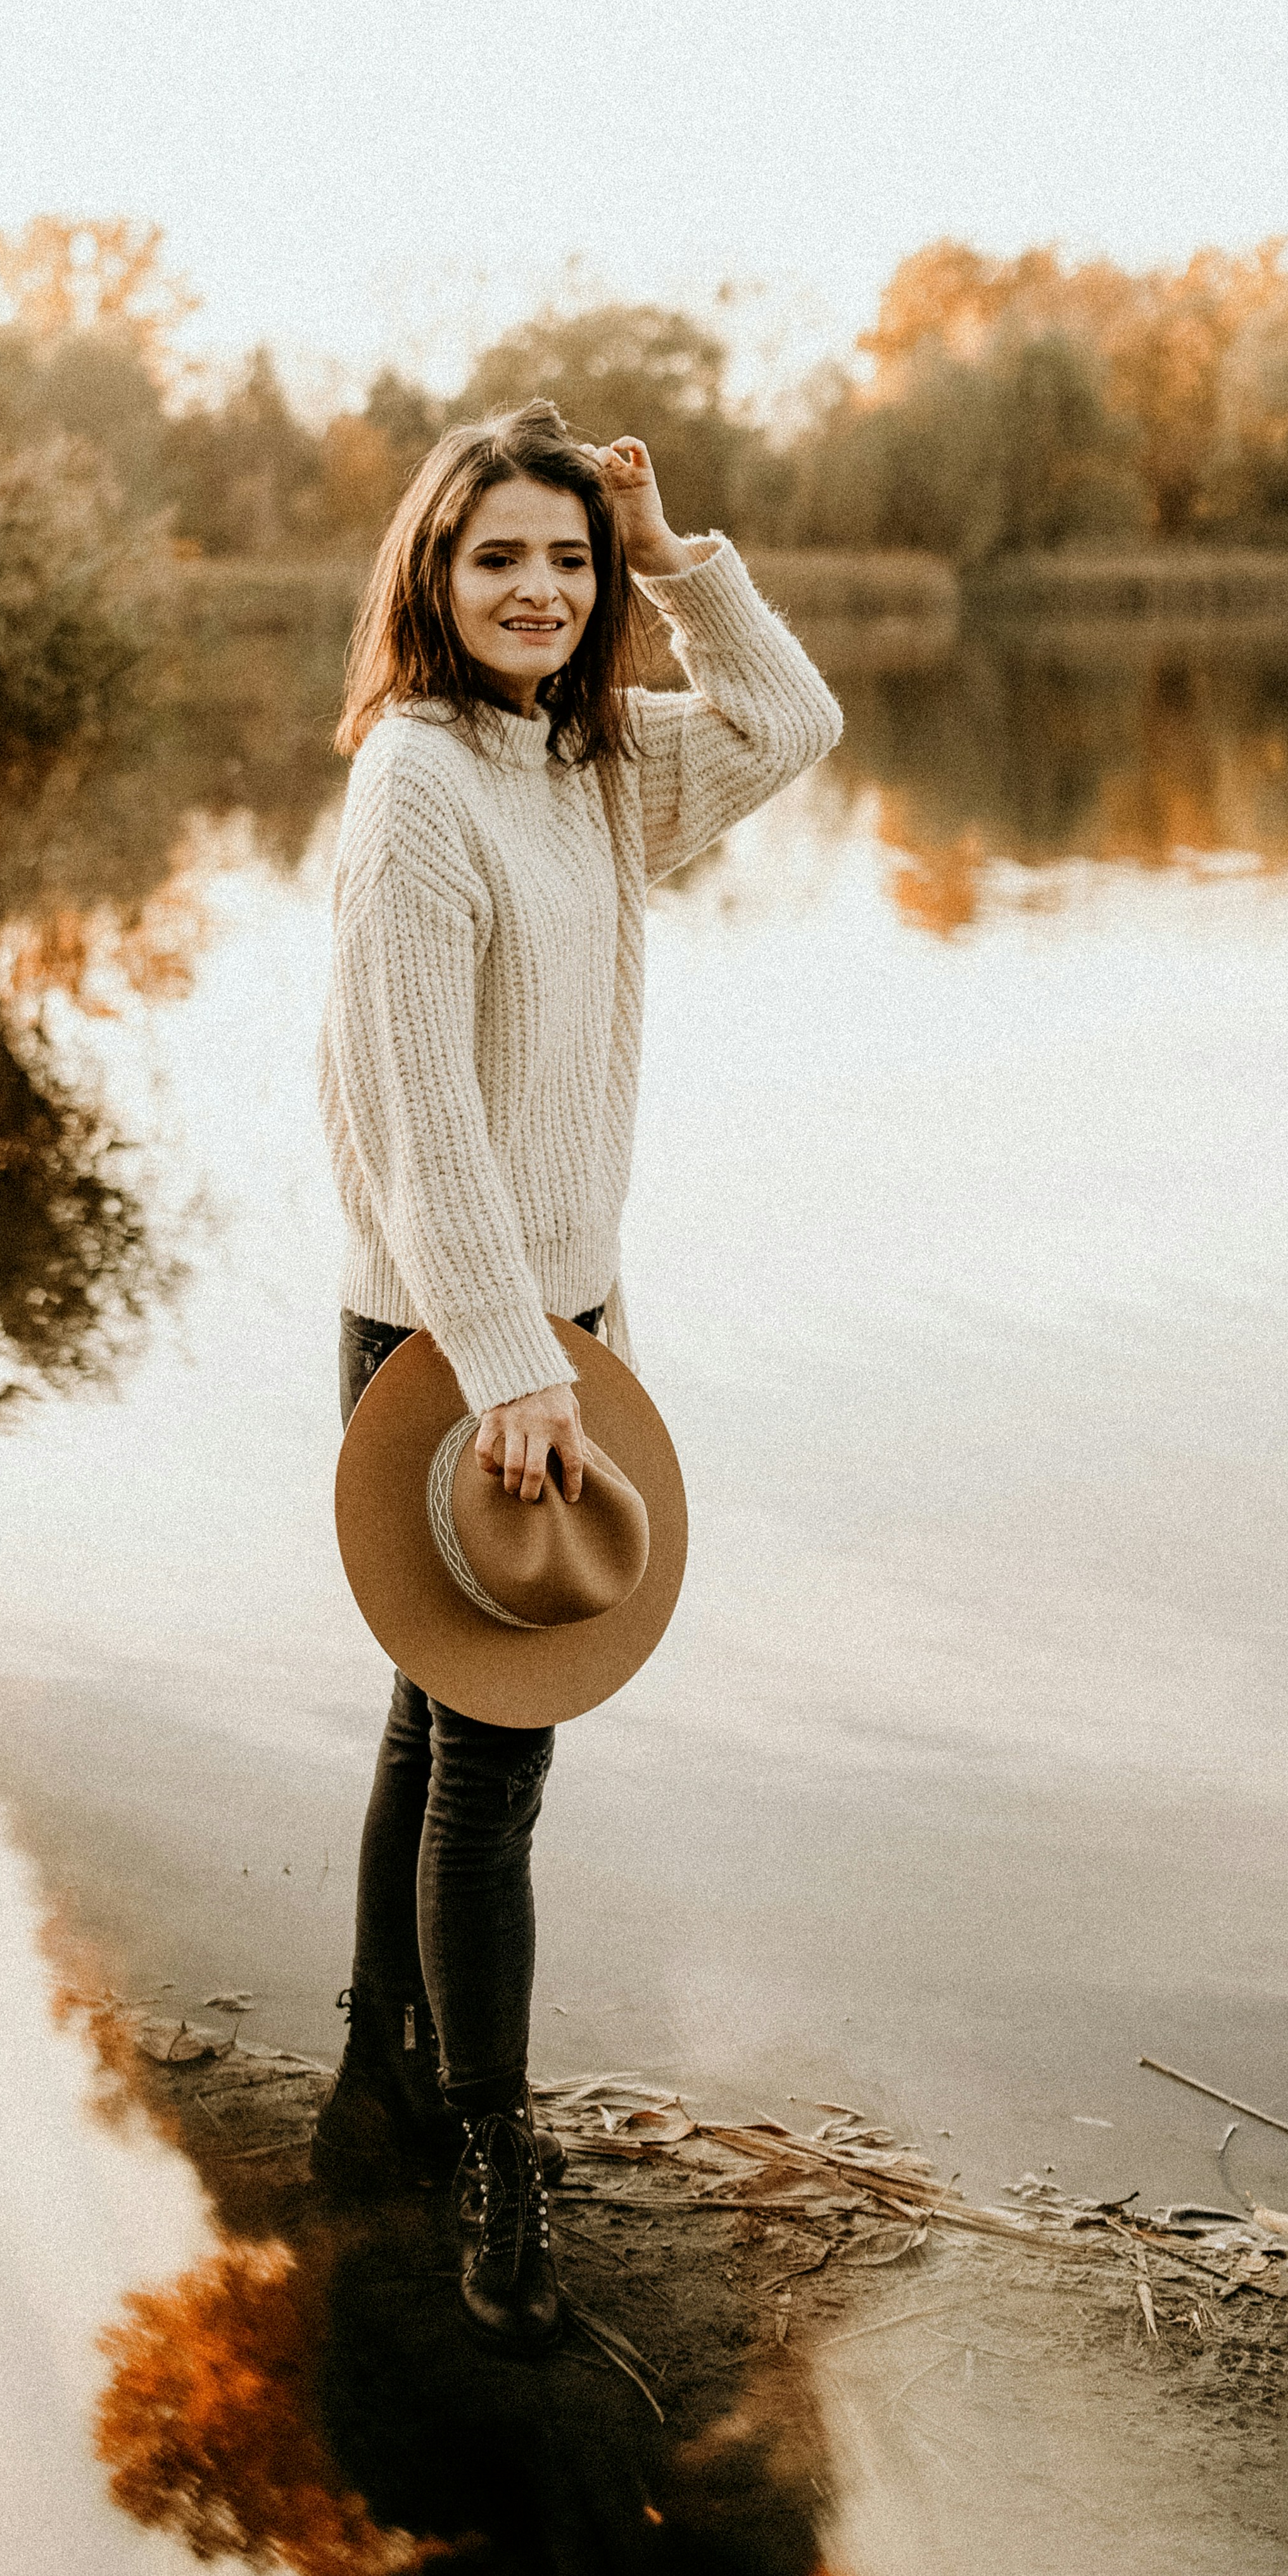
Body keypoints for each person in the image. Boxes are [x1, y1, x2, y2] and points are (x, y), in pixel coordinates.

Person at [309, 401, 842, 2346]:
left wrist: (669, 538)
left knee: (430, 1709)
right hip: (456, 1336)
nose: (536, 589)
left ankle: (375, 2072)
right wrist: (503, 1359)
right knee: (495, 1766)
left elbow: (791, 726)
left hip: (559, 1322)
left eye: (563, 559)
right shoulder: (418, 784)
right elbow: (409, 1095)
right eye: (496, 558)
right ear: (431, 583)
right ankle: (492, 2148)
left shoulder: (589, 764)